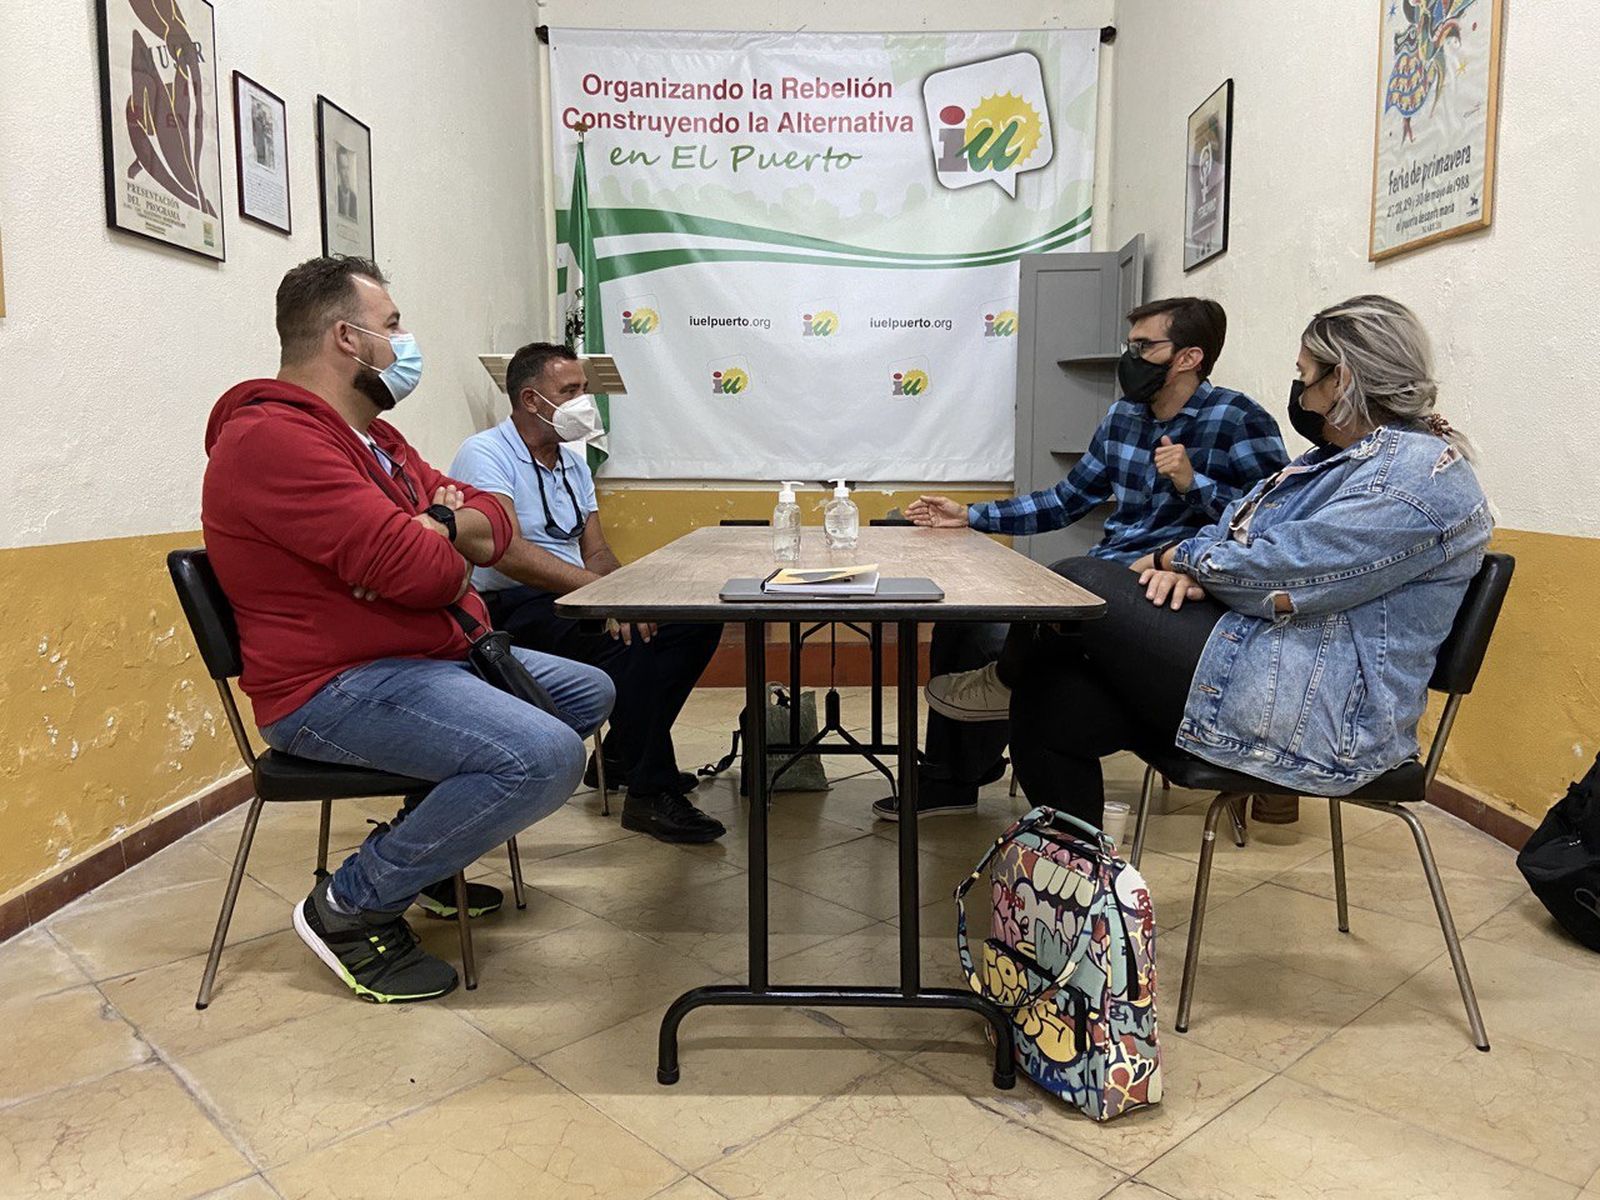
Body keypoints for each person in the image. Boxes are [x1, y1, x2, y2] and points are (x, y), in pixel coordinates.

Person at [203, 257, 615, 1003]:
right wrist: (441, 543)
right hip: (333, 688)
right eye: (393, 326)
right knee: (544, 756)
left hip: (422, 657)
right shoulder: (274, 440)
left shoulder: (377, 440)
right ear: (346, 338)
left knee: (587, 690)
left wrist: (439, 527)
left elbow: (494, 515)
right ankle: (351, 906)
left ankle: (423, 855)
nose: (405, 340)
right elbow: (429, 574)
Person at [1006, 295, 1491, 828]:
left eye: (1306, 376)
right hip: (1264, 654)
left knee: (1079, 581)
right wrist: (1202, 571)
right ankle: (1083, 890)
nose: (1301, 392)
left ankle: (999, 675)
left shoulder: (1418, 478)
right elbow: (1238, 526)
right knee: (1052, 696)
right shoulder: (1336, 459)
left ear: (1343, 381)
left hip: (1321, 713)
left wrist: (1180, 558)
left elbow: (1287, 570)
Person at [886, 296, 1288, 820]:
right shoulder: (1123, 416)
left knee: (1049, 617)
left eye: (1146, 346)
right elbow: (1068, 500)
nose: (1132, 357)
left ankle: (1009, 688)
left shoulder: (1237, 418)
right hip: (1109, 571)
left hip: (1174, 593)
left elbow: (1273, 522)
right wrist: (970, 516)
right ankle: (953, 779)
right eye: (1131, 344)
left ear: (1188, 357)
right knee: (968, 620)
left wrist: (1195, 484)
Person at [450, 342, 726, 844]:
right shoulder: (485, 453)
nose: (584, 402)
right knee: (629, 644)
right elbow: (505, 550)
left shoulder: (572, 462)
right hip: (515, 606)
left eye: (584, 389)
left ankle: (620, 754)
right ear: (531, 400)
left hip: (575, 597)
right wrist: (602, 601)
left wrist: (628, 595)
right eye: (571, 391)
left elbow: (596, 553)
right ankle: (649, 793)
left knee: (694, 621)